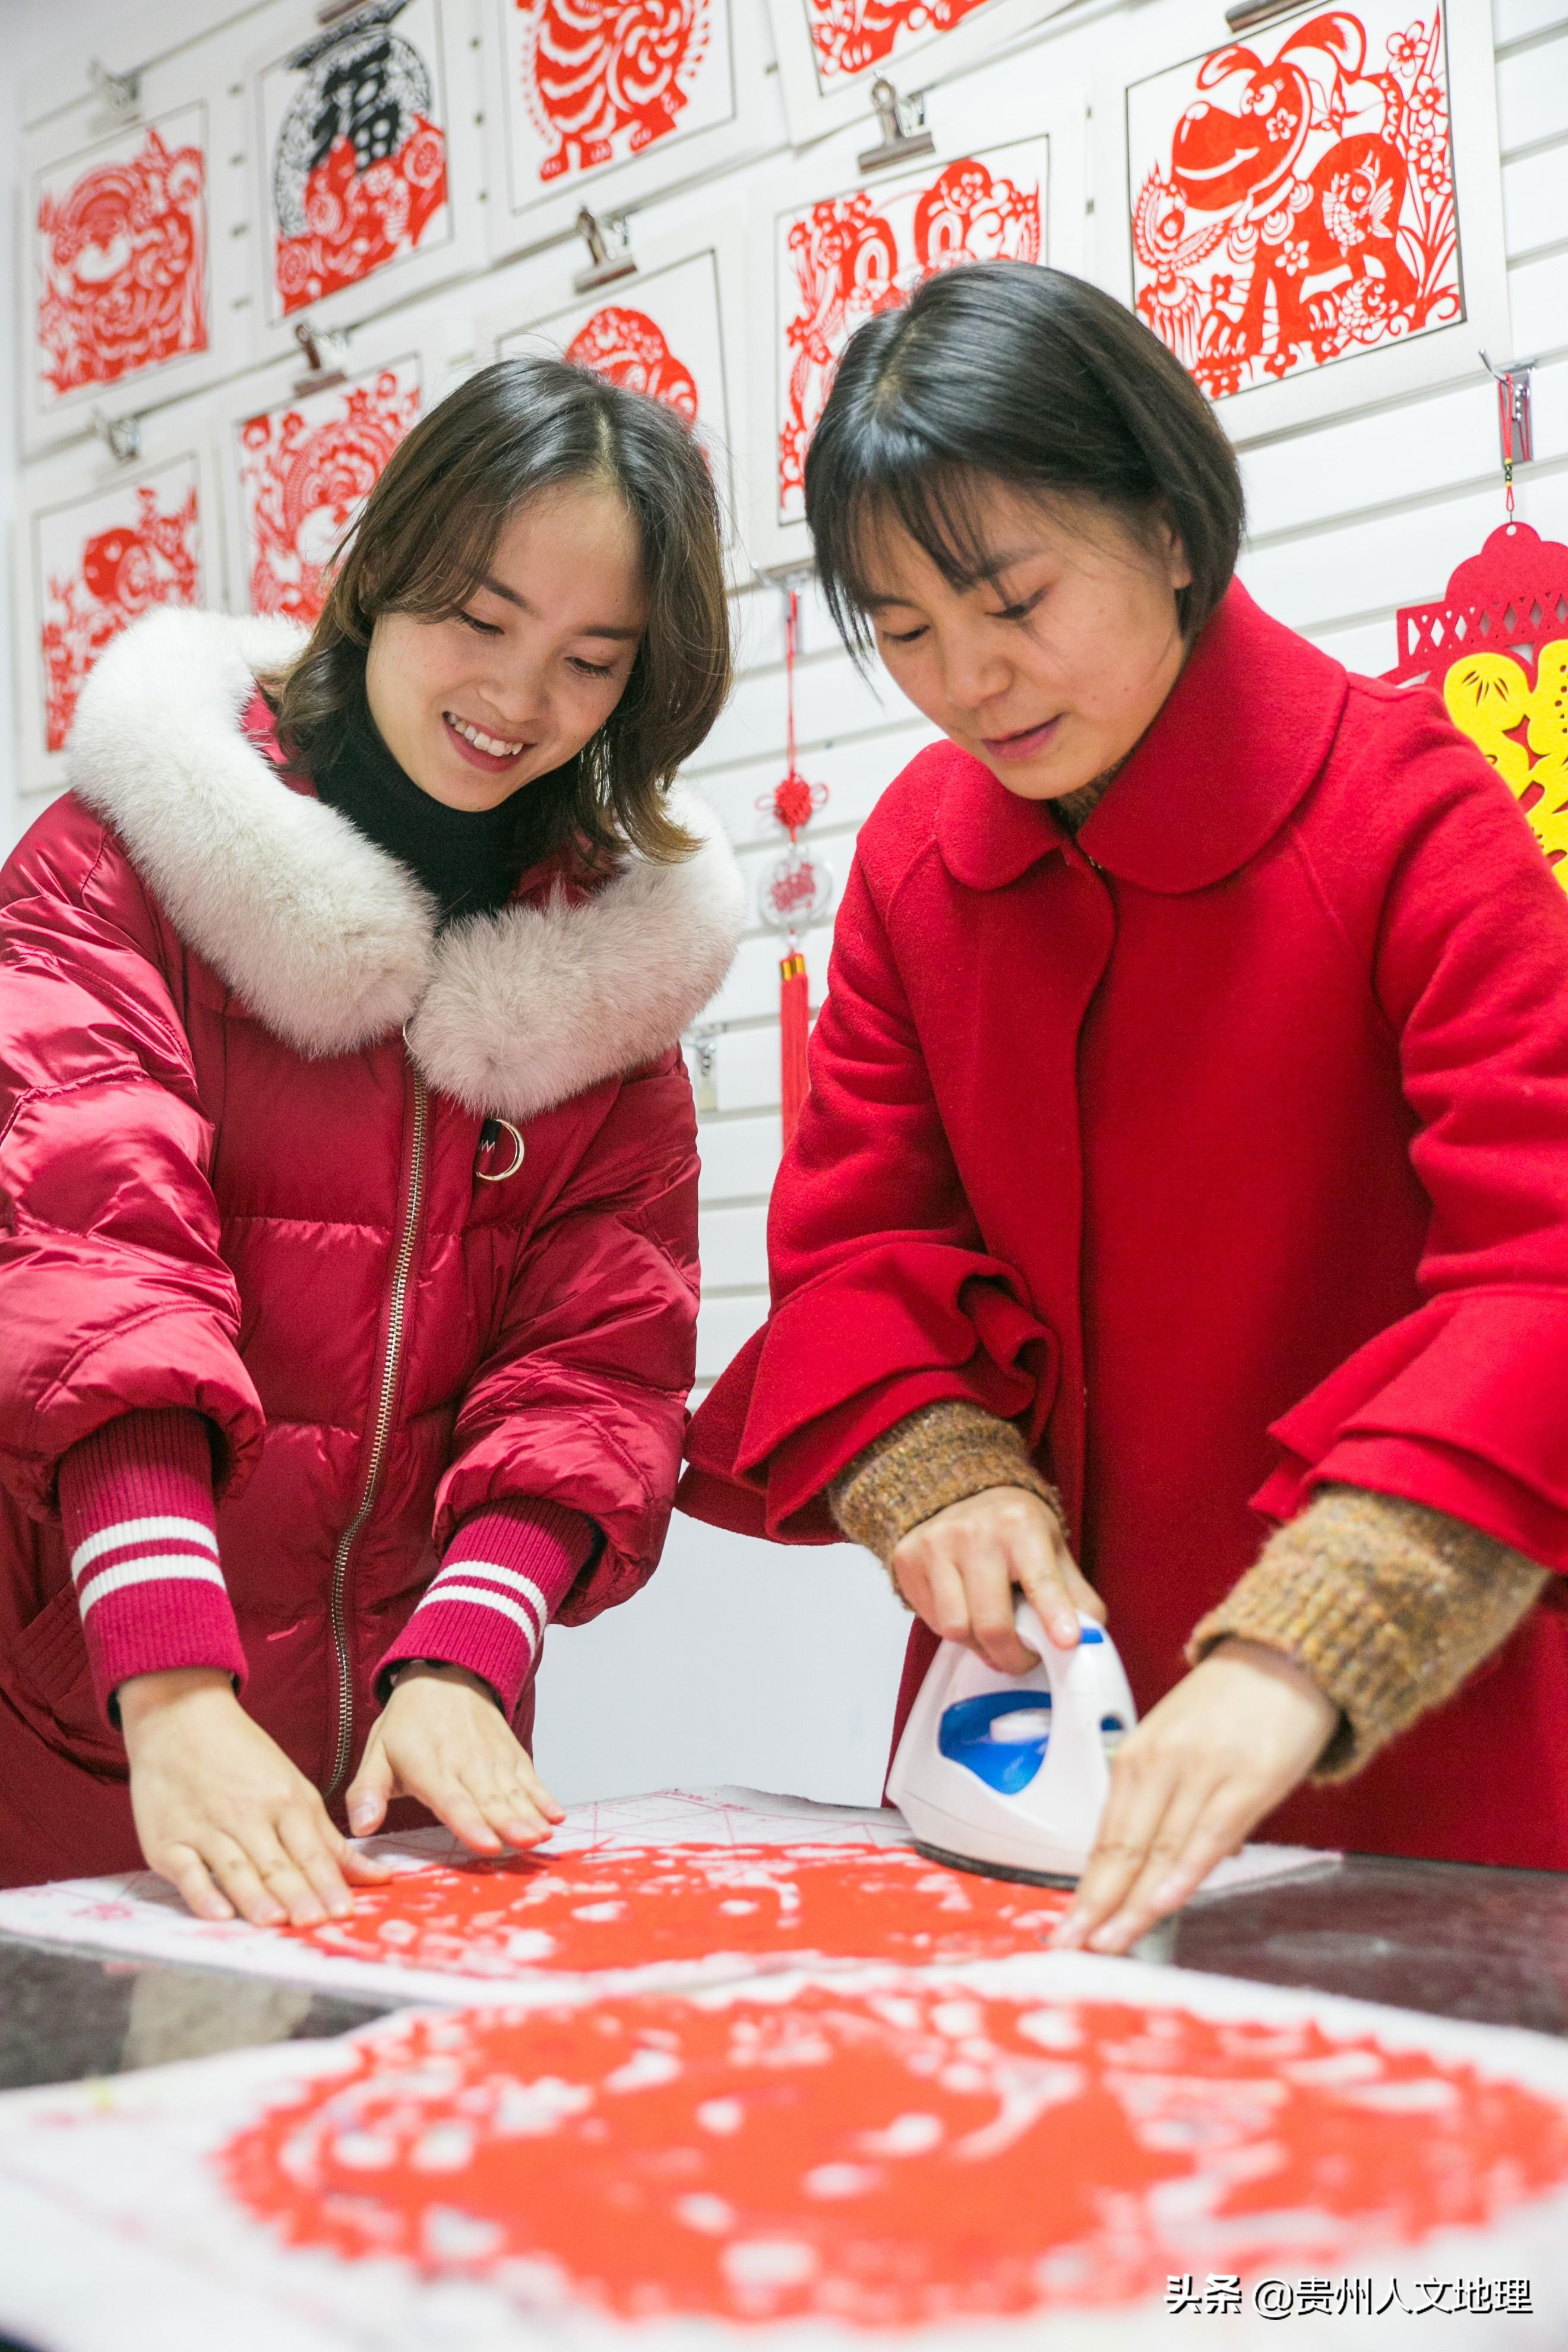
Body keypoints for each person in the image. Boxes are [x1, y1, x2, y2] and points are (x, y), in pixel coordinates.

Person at [681, 263, 1568, 1950]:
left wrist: (1320, 1634)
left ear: (1169, 527)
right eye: (915, 633)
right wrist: (935, 1477)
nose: (971, 683)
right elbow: (857, 1246)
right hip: (1026, 1746)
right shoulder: (919, 862)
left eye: (1014, 600)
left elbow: (1542, 1270)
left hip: (1403, 1746)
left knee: (1383, 2207)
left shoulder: (1413, 815)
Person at [0, 356, 744, 1922]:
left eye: (589, 660)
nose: (518, 698)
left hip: (412, 1781)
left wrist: (471, 1664)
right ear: (378, 569)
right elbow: (91, 1272)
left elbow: (592, 1373)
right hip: (91, 1725)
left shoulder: (604, 981)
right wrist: (175, 1696)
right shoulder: (116, 870)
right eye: (480, 620)